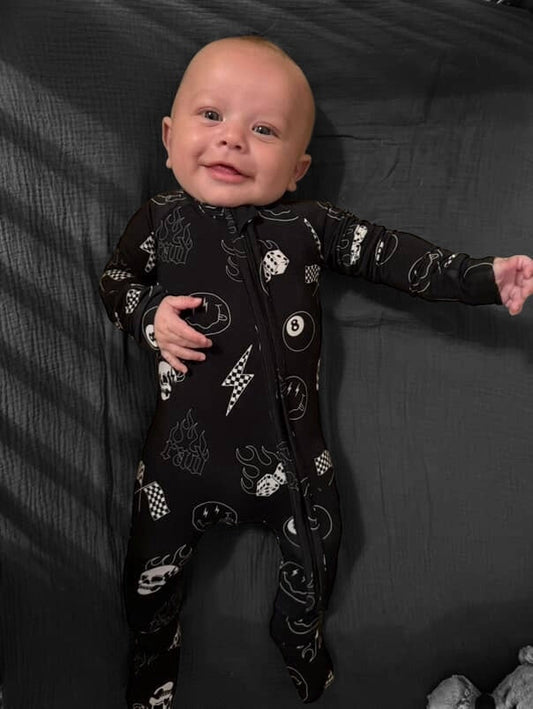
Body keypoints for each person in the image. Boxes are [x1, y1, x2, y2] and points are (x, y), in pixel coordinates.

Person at [99, 35, 533, 708]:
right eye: (210, 116)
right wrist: (149, 315)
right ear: (168, 137)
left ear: (297, 167)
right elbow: (116, 280)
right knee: (144, 579)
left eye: (263, 130)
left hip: (293, 461)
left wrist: (482, 277)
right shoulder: (160, 220)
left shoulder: (307, 225)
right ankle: (154, 655)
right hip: (178, 465)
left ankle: (296, 630)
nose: (231, 139)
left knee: (322, 548)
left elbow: (391, 255)